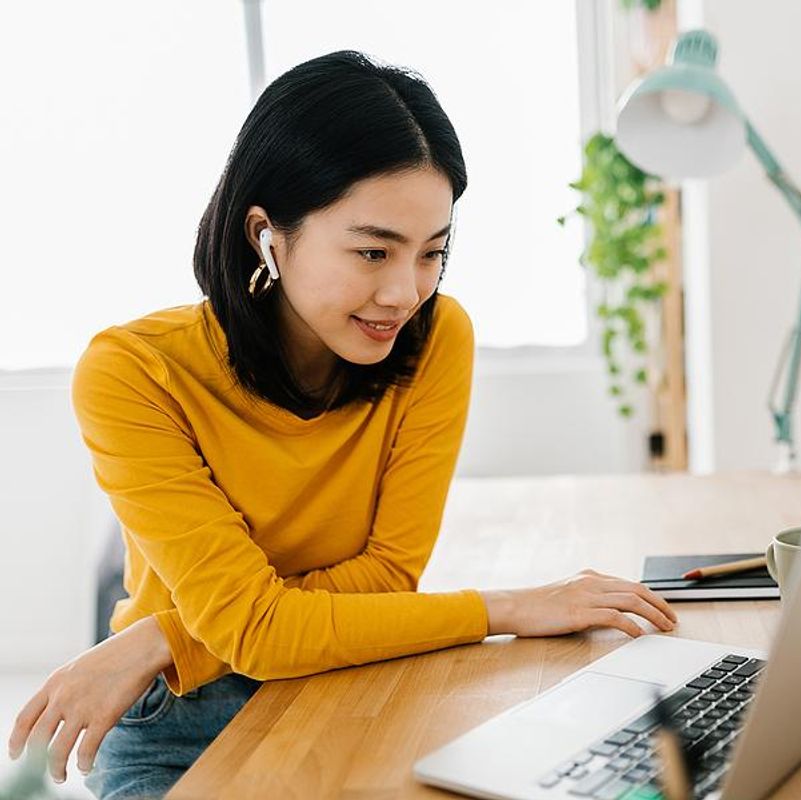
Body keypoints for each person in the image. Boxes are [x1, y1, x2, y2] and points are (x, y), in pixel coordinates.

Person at [5, 49, 677, 800]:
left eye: (433, 253)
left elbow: (388, 576)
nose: (405, 292)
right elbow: (257, 631)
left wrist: (168, 635)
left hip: (352, 675)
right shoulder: (133, 373)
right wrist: (511, 606)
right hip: (176, 719)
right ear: (267, 234)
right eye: (371, 251)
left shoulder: (435, 338)